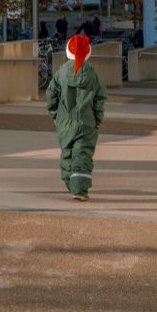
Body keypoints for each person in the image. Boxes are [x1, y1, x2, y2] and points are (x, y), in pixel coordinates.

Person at [46, 33, 108, 201]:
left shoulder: (61, 73)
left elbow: (51, 94)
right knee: (83, 153)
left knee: (67, 153)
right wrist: (98, 118)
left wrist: (54, 113)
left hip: (65, 121)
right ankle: (79, 188)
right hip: (87, 121)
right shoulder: (93, 75)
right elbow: (99, 98)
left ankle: (70, 182)